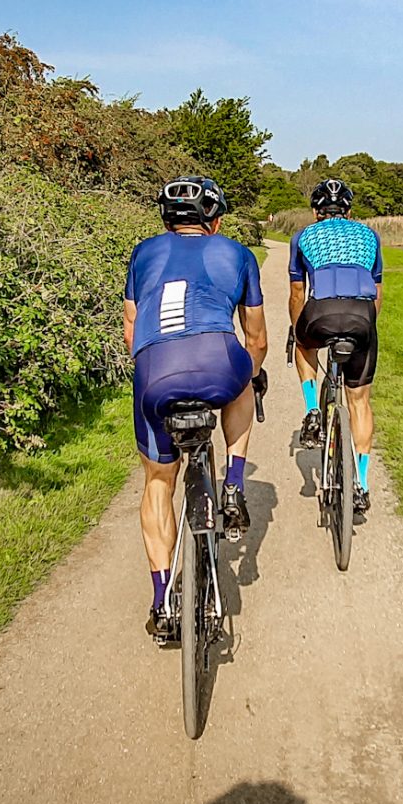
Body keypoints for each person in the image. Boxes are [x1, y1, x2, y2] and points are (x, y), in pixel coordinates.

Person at [125, 177, 267, 636]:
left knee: (157, 483)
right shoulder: (238, 254)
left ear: (166, 221)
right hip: (217, 362)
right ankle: (234, 483)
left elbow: (131, 332)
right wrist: (253, 371)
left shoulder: (143, 253)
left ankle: (162, 602)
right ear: (216, 220)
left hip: (154, 370)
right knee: (244, 378)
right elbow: (257, 338)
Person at [288, 178, 382, 522]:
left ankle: (313, 408)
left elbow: (298, 293)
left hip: (320, 311)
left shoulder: (302, 237)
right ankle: (361, 483)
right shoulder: (370, 236)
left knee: (303, 341)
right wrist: (367, 328)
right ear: (349, 211)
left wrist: (297, 328)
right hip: (361, 316)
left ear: (315, 212)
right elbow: (377, 292)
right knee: (359, 401)